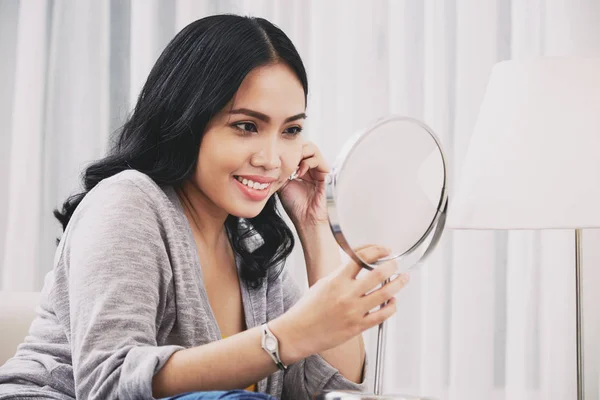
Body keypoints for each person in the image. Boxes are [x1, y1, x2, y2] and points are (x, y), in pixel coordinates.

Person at [0, 14, 409, 400]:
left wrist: (316, 226)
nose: (271, 158)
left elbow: (328, 392)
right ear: (187, 120)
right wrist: (286, 337)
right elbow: (110, 383)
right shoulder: (128, 202)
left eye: (291, 131)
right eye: (246, 126)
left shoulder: (252, 244)